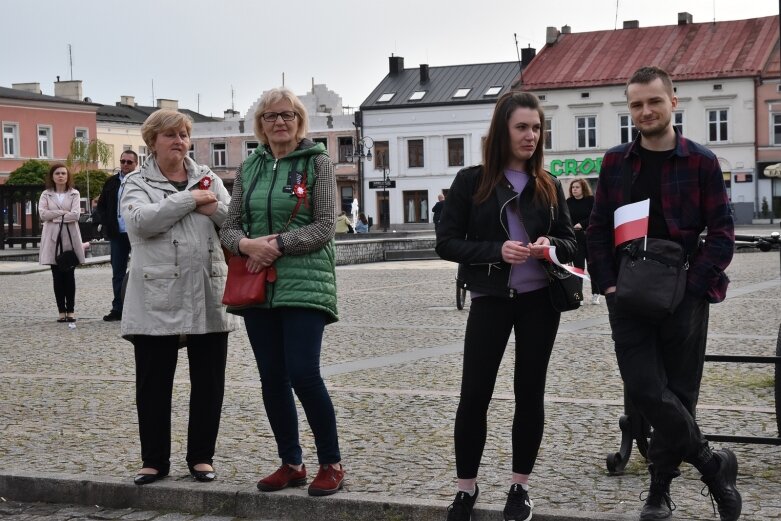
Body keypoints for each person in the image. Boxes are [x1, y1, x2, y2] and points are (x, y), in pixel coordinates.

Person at [586, 66, 739, 521]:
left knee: (679, 391)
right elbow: (597, 229)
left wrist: (693, 289)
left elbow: (723, 233)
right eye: (636, 104)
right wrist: (609, 285)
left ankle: (658, 492)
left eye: (654, 101)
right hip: (628, 296)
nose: (645, 111)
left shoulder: (701, 161)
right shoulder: (616, 161)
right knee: (646, 387)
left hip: (684, 295)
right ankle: (714, 467)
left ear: (674, 101)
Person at [435, 91, 576, 521]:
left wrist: (551, 244)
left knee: (529, 394)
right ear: (502, 131)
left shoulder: (547, 184)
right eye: (522, 127)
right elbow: (447, 243)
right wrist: (497, 250)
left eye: (536, 128)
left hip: (540, 303)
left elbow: (572, 242)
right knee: (474, 395)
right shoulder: (470, 182)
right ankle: (465, 489)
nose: (531, 135)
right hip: (491, 300)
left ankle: (520, 487)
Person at [220, 87, 345, 497]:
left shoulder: (317, 163)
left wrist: (273, 246)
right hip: (259, 287)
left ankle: (331, 462)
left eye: (288, 115)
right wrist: (246, 245)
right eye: (271, 116)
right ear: (260, 124)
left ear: (299, 121)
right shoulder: (251, 167)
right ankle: (291, 462)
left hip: (304, 283)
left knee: (304, 373)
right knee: (271, 378)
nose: (280, 122)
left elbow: (324, 224)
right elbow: (230, 225)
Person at [120, 109, 237, 486]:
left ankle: (201, 457)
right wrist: (189, 200)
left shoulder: (209, 177)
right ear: (152, 141)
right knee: (153, 383)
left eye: (184, 134)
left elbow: (237, 223)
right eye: (170, 135)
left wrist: (212, 205)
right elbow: (140, 223)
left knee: (209, 383)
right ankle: (153, 461)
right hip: (157, 293)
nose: (179, 141)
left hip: (207, 289)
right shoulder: (137, 181)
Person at [38, 163, 86, 323]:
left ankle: (71, 311)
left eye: (63, 173)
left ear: (67, 176)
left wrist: (55, 217)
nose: (60, 176)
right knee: (56, 276)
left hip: (69, 238)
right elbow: (43, 215)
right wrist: (63, 213)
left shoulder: (74, 194)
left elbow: (76, 215)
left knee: (69, 275)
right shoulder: (46, 194)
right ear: (52, 176)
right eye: (57, 173)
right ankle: (61, 311)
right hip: (52, 238)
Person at [95, 150, 138, 321]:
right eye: (123, 161)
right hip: (117, 233)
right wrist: (106, 221)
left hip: (137, 232)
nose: (125, 165)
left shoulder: (142, 181)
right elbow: (102, 205)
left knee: (139, 270)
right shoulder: (112, 182)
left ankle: (137, 308)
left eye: (129, 162)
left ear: (136, 164)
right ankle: (118, 308)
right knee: (118, 271)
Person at [565, 179, 600, 304]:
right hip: (576, 239)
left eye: (577, 187)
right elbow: (565, 217)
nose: (574, 189)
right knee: (578, 268)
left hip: (590, 238)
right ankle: (578, 295)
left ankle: (596, 293)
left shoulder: (591, 200)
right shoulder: (568, 202)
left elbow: (594, 215)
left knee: (592, 266)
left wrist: (582, 224)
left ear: (583, 188)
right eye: (573, 187)